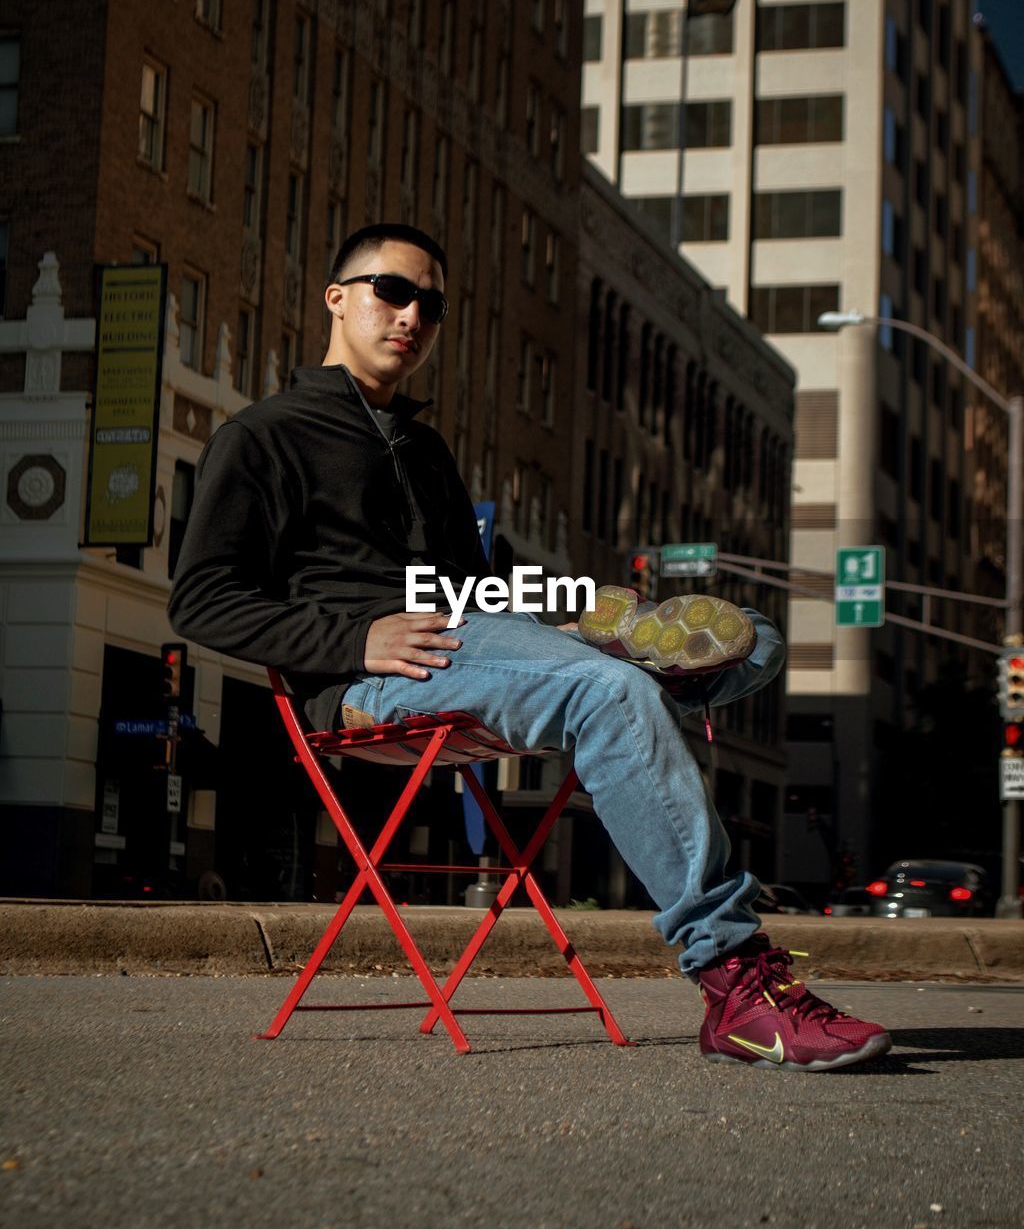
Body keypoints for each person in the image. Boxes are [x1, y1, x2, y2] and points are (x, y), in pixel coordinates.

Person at [169, 222, 890, 1071]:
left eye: (430, 306)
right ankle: (735, 983)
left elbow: (472, 591)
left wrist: (577, 612)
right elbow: (201, 599)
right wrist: (355, 638)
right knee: (612, 696)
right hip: (378, 680)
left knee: (757, 644)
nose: (412, 317)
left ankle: (637, 694)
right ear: (338, 297)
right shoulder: (263, 437)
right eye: (392, 293)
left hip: (472, 639)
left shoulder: (425, 450)